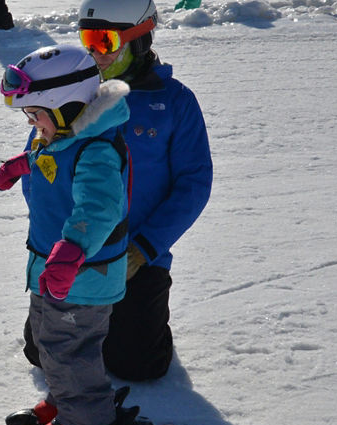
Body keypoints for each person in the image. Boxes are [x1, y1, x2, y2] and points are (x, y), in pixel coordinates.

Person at [21, 0, 213, 381]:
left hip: (136, 256)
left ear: (138, 38)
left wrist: (144, 250)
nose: (92, 52)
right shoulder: (72, 98)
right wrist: (59, 245)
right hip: (75, 254)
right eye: (86, 38)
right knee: (40, 353)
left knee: (138, 365)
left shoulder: (174, 102)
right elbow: (40, 167)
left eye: (104, 41)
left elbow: (193, 183)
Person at [0, 44, 137, 425]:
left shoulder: (96, 149)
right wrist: (22, 164)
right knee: (49, 341)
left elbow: (100, 206)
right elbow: (49, 157)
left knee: (68, 348)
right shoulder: (62, 134)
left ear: (67, 106)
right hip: (52, 269)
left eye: (35, 114)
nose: (32, 123)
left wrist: (73, 250)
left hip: (82, 274)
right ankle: (67, 401)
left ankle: (88, 422)